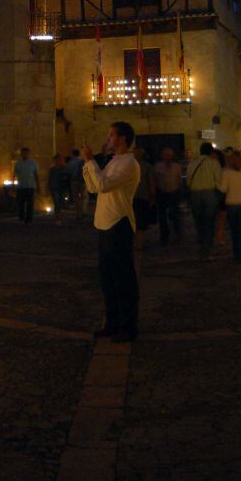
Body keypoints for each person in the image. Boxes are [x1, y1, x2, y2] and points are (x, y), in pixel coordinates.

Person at [82, 122, 140, 342]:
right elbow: (93, 186)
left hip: (119, 223)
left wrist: (90, 161)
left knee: (123, 278)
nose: (108, 138)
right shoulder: (113, 161)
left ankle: (128, 327)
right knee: (107, 279)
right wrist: (90, 164)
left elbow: (104, 185)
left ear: (123, 138)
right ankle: (113, 323)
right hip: (104, 224)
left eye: (111, 135)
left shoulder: (129, 164)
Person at [185, 142, 222, 261]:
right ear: (211, 152)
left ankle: (202, 246)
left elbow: (188, 181)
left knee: (199, 222)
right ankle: (206, 250)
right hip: (209, 194)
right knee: (209, 222)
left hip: (195, 194)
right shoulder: (214, 163)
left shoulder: (192, 164)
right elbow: (218, 181)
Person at [153, 147, 183, 244]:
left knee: (175, 215)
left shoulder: (177, 166)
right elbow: (155, 180)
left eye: (169, 155)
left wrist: (179, 192)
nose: (167, 157)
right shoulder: (158, 166)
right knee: (162, 216)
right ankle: (164, 236)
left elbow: (179, 180)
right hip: (162, 193)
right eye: (166, 155)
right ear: (162, 156)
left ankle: (177, 235)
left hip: (173, 192)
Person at [132, 147, 156, 250]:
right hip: (139, 198)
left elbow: (151, 183)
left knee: (137, 222)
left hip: (137, 198)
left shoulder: (146, 167)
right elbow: (151, 183)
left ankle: (137, 243)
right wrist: (152, 197)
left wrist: (152, 196)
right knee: (139, 223)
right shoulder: (147, 166)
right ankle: (138, 243)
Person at [13, 147, 39, 224]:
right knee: (21, 203)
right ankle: (21, 218)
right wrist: (13, 185)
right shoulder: (18, 163)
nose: (25, 154)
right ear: (21, 154)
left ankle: (29, 219)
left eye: (26, 153)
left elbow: (36, 174)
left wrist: (38, 185)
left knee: (30, 203)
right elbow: (14, 175)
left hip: (30, 186)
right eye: (24, 153)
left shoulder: (33, 163)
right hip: (21, 186)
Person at [65, 148, 87, 218]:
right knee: (84, 197)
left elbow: (67, 171)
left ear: (72, 154)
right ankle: (83, 210)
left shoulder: (71, 162)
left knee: (76, 197)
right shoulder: (83, 160)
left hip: (74, 181)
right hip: (83, 181)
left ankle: (79, 212)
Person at [47, 154, 68, 224]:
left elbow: (66, 178)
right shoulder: (52, 169)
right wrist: (48, 187)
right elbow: (49, 179)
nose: (58, 161)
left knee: (60, 202)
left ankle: (59, 216)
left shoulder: (64, 168)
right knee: (56, 202)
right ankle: (57, 217)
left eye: (60, 159)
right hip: (54, 187)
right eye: (57, 159)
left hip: (61, 187)